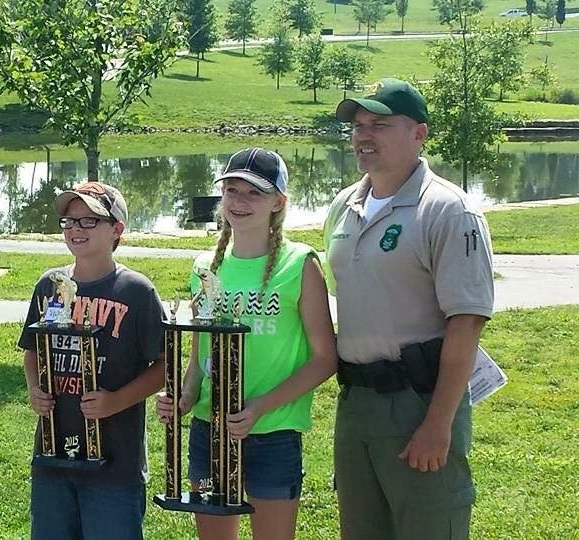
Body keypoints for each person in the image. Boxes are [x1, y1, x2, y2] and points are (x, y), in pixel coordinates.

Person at [324, 79, 494, 540]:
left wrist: (438, 424)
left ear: (419, 134)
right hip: (356, 403)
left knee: (429, 527)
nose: (363, 135)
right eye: (358, 125)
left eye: (380, 124)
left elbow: (466, 323)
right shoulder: (344, 205)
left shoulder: (448, 210)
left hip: (419, 400)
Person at [156, 148, 337, 540]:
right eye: (231, 190)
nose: (239, 202)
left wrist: (258, 408)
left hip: (273, 433)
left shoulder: (300, 263)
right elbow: (199, 356)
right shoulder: (205, 267)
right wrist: (184, 397)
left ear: (279, 202)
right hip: (210, 430)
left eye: (254, 193)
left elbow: (324, 359)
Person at [17, 181, 165, 540]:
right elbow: (33, 350)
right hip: (53, 456)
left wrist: (116, 401)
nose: (75, 230)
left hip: (115, 463)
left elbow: (163, 367)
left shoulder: (136, 291)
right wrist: (35, 387)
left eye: (89, 221)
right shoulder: (49, 285)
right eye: (69, 221)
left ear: (117, 229)